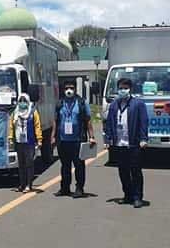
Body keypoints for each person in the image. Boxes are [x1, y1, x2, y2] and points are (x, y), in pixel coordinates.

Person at [104, 78, 149, 208]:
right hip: (119, 144)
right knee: (122, 171)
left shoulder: (138, 104)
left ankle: (137, 197)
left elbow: (143, 122)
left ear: (130, 89)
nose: (122, 90)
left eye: (125, 88)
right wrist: (108, 139)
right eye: (120, 88)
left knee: (135, 171)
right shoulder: (114, 105)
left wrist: (143, 138)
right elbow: (109, 124)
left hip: (133, 143)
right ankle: (127, 195)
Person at [51, 80, 96, 198]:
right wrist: (53, 136)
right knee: (65, 166)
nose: (68, 90)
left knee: (79, 166)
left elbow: (88, 121)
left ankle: (79, 188)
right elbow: (55, 121)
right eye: (66, 88)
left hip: (77, 140)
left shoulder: (81, 103)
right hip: (63, 140)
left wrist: (91, 137)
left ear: (75, 89)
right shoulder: (60, 103)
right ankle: (64, 188)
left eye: (71, 88)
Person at [8, 93, 42, 193]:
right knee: (21, 164)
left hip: (29, 142)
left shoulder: (33, 112)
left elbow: (37, 126)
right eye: (20, 101)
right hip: (19, 142)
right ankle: (22, 184)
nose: (22, 103)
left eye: (24, 101)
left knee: (29, 163)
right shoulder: (15, 113)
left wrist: (39, 139)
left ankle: (29, 185)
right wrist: (10, 138)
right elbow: (11, 126)